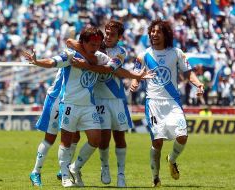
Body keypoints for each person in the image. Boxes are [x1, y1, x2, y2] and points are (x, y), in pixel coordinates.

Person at [23, 26, 152, 187]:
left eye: (98, 44)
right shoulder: (71, 55)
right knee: (58, 139)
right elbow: (53, 61)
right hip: (65, 102)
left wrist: (136, 76)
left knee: (93, 139)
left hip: (88, 105)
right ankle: (54, 173)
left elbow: (115, 70)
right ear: (83, 42)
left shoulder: (101, 56)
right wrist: (37, 61)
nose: (96, 46)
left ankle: (73, 167)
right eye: (92, 44)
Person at [65, 20, 156, 187]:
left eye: (112, 34)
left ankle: (121, 174)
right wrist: (87, 55)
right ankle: (104, 167)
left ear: (119, 37)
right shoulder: (95, 45)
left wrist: (86, 64)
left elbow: (109, 69)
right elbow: (70, 42)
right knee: (103, 139)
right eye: (106, 32)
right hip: (98, 99)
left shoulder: (121, 52)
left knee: (120, 137)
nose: (108, 36)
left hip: (117, 99)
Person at [130, 19, 204, 187]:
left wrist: (198, 83)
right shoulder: (143, 56)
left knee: (183, 136)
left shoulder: (176, 53)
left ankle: (171, 159)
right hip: (154, 103)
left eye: (158, 32)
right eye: (152, 31)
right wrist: (135, 82)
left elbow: (189, 73)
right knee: (157, 142)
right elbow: (135, 76)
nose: (154, 34)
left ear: (165, 34)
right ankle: (155, 177)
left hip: (173, 102)